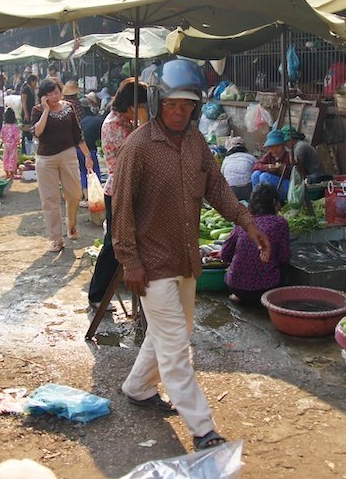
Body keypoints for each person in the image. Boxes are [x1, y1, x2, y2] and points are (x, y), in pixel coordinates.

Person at [112, 60, 271, 452]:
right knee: (177, 346)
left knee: (170, 335)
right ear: (158, 101)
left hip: (186, 258)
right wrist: (129, 260)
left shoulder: (197, 143)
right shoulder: (139, 147)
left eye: (187, 104)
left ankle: (137, 386)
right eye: (172, 104)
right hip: (151, 263)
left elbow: (217, 187)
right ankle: (203, 429)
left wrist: (249, 225)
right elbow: (122, 207)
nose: (179, 112)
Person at [86, 78, 148, 308]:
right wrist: (143, 122)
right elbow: (138, 151)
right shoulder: (115, 124)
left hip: (128, 188)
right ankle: (97, 294)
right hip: (119, 189)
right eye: (141, 105)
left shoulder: (124, 121)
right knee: (114, 244)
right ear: (131, 104)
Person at [32, 78, 95, 252]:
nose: (54, 96)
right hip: (46, 159)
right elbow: (37, 132)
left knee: (74, 195)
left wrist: (87, 155)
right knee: (50, 199)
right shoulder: (37, 110)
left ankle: (72, 225)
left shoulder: (69, 107)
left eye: (57, 92)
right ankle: (56, 239)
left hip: (68, 155)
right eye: (50, 93)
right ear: (43, 96)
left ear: (61, 92)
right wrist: (46, 111)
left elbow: (77, 134)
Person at [219, 183, 292, 304]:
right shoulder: (280, 222)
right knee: (284, 269)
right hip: (265, 288)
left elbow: (225, 254)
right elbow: (284, 257)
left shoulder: (244, 222)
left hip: (234, 285)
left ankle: (240, 297)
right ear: (274, 202)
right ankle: (267, 299)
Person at [250, 128, 297, 200]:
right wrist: (267, 167)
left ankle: (272, 202)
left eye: (277, 146)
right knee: (255, 175)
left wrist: (283, 169)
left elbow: (296, 176)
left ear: (283, 145)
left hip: (288, 186)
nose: (274, 150)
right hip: (274, 186)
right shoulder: (269, 155)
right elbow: (256, 165)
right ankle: (259, 201)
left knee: (264, 176)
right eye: (271, 147)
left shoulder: (289, 155)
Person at [78, 108, 105, 206]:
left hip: (77, 147)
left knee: (83, 171)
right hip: (89, 149)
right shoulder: (104, 123)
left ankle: (87, 199)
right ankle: (95, 198)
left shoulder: (88, 118)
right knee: (94, 172)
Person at [221, 136, 257, 201]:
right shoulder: (251, 157)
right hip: (248, 191)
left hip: (231, 191)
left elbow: (222, 175)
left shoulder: (226, 160)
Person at [0, 108, 22, 179]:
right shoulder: (15, 127)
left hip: (6, 144)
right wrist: (18, 142)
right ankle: (12, 172)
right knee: (13, 158)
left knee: (6, 157)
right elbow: (17, 137)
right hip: (13, 145)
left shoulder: (4, 127)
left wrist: (4, 141)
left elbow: (2, 136)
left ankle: (7, 172)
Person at [20, 74, 38, 154]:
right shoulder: (25, 90)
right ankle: (25, 149)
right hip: (26, 112)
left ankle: (30, 148)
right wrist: (26, 114)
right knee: (26, 131)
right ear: (31, 81)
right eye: (35, 82)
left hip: (31, 111)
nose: (36, 83)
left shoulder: (31, 89)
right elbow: (24, 103)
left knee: (30, 130)